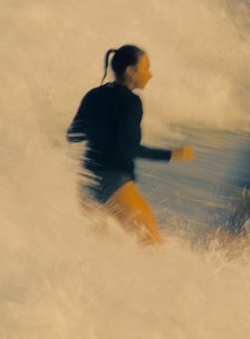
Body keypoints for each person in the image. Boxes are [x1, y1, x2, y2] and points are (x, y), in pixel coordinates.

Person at [66, 44, 194, 245]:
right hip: (114, 182)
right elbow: (129, 149)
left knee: (96, 247)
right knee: (153, 245)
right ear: (130, 71)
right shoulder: (131, 102)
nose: (150, 74)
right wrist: (172, 155)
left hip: (87, 180)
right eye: (146, 68)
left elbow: (73, 135)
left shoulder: (93, 94)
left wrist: (100, 127)